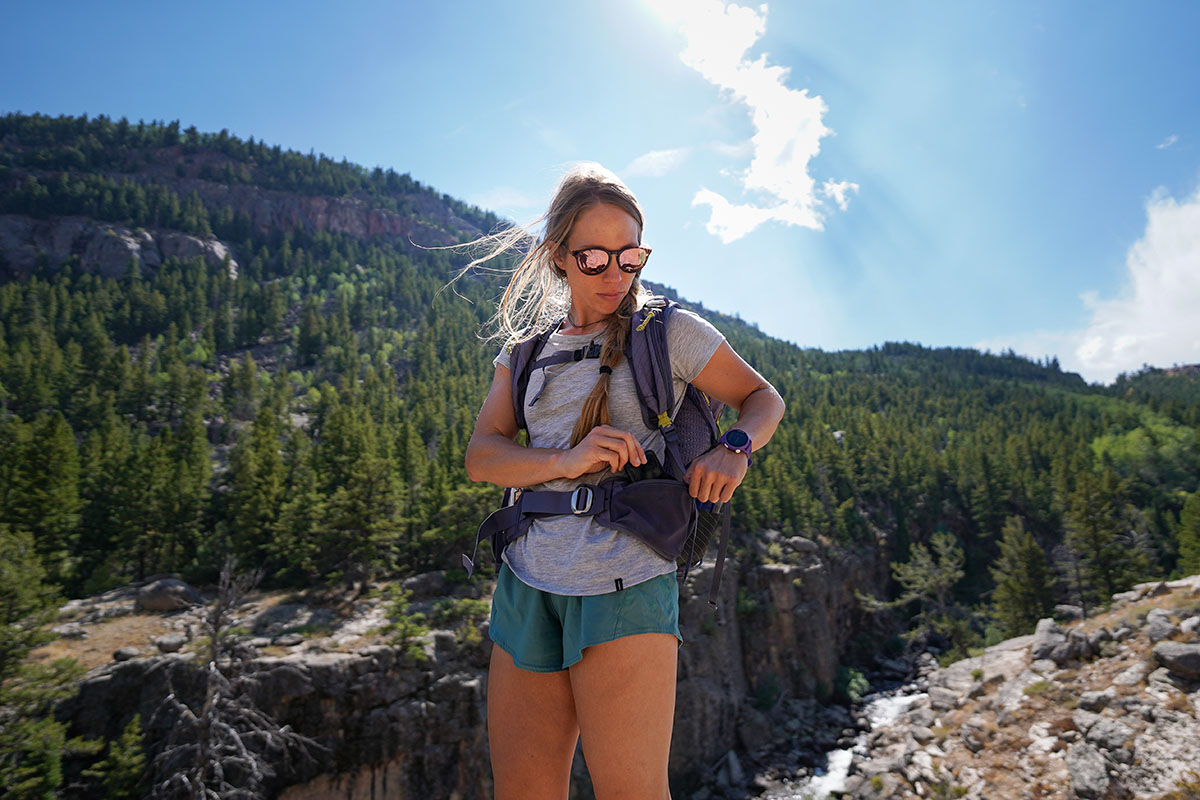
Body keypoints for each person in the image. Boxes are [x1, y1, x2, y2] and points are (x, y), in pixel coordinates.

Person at [462, 162, 785, 800]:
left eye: (630, 255)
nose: (616, 274)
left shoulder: (670, 333)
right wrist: (565, 460)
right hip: (526, 578)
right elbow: (483, 457)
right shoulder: (524, 352)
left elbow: (762, 397)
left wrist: (735, 448)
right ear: (558, 256)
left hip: (627, 583)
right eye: (594, 258)